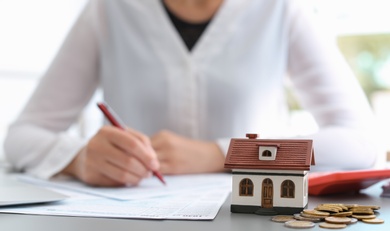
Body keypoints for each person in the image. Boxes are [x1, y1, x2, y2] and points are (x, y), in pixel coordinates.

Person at [4, 0, 378, 187]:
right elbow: (20, 137)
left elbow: (361, 142)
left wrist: (223, 154)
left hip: (252, 230)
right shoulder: (110, 9)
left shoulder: (279, 10)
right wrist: (79, 158)